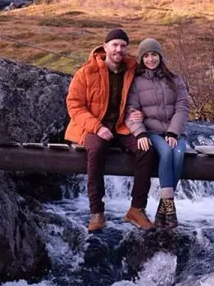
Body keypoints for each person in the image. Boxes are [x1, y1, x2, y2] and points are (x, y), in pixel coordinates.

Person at [64, 28, 155, 233]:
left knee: (146, 149)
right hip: (93, 128)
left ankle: (137, 209)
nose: (119, 50)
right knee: (95, 151)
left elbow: (150, 95)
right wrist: (97, 127)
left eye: (123, 46)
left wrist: (142, 114)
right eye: (114, 45)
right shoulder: (86, 73)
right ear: (105, 47)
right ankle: (97, 212)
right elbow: (74, 106)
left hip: (122, 128)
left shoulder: (133, 70)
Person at [124, 38, 190, 228]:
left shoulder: (175, 79)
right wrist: (140, 133)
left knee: (178, 155)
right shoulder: (136, 82)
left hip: (175, 132)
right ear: (141, 59)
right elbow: (131, 112)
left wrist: (173, 131)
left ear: (160, 56)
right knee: (167, 153)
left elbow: (183, 106)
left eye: (154, 55)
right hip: (152, 131)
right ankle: (170, 208)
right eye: (146, 56)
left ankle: (165, 206)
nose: (151, 59)